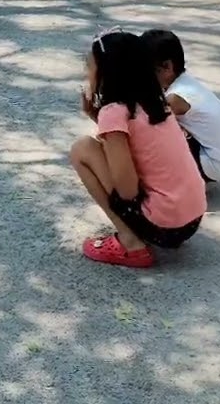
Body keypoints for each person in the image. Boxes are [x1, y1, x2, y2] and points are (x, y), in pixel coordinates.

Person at [69, 30, 207, 268]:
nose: (86, 72)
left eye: (89, 65)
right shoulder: (156, 102)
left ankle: (131, 242)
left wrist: (104, 122)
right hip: (192, 220)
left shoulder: (114, 111)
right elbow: (142, 145)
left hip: (165, 227)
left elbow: (127, 190)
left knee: (82, 149)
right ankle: (140, 231)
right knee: (99, 150)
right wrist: (98, 120)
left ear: (104, 73)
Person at [141, 29, 220, 184]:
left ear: (167, 67)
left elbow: (143, 119)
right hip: (215, 157)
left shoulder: (178, 97)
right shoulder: (184, 83)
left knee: (149, 130)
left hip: (211, 164)